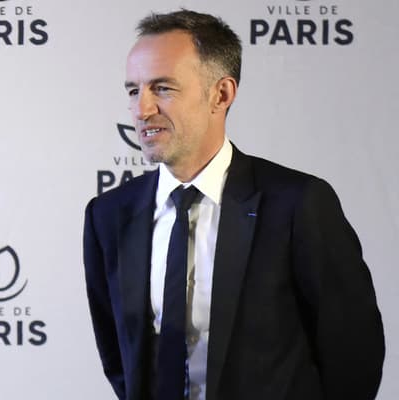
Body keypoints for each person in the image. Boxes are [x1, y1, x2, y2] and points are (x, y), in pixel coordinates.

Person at [82, 9, 384, 400]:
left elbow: (353, 355)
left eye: (163, 88)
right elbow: (120, 359)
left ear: (220, 94)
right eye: (133, 90)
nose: (141, 110)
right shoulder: (108, 216)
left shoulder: (297, 204)